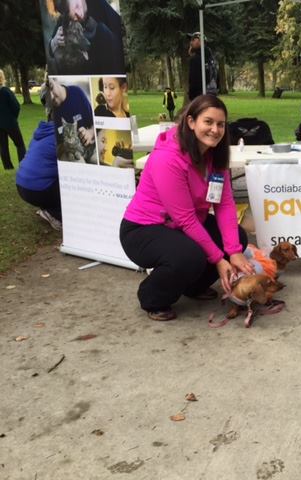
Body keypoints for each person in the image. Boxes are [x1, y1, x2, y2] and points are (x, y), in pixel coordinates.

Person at [120, 95, 254, 321]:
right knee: (190, 257)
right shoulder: (168, 158)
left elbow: (224, 204)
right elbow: (186, 219)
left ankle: (192, 286)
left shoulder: (214, 155)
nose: (215, 130)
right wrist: (220, 260)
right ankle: (152, 297)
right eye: (208, 122)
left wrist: (234, 251)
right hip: (143, 229)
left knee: (237, 237)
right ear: (191, 122)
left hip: (183, 225)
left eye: (220, 124)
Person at [15, 84, 62, 230]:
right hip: (38, 189)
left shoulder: (41, 131)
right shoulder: (59, 136)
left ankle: (47, 207)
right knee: (72, 182)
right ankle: (53, 213)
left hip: (21, 185)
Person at [47, 0, 125, 75]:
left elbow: (120, 29)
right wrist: (55, 42)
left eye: (77, 6)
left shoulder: (98, 4)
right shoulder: (65, 16)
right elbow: (50, 50)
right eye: (74, 16)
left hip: (108, 62)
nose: (80, 14)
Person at [49, 77, 95, 159]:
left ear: (56, 80)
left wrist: (90, 132)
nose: (51, 96)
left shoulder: (76, 93)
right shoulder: (50, 111)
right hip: (69, 154)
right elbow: (51, 148)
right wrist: (66, 145)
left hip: (89, 148)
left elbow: (95, 122)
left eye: (51, 87)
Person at [0, 69, 26, 170]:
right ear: (2, 77)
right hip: (10, 123)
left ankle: (8, 167)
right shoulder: (6, 91)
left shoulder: (5, 91)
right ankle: (23, 165)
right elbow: (16, 106)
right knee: (20, 144)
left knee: (3, 146)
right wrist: (13, 118)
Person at [187, 32, 218, 101]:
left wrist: (192, 96)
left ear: (200, 42)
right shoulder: (210, 57)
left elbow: (193, 80)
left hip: (200, 94)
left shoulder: (196, 59)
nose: (191, 42)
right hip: (212, 92)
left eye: (193, 40)